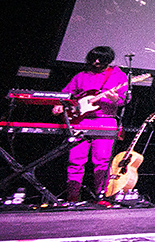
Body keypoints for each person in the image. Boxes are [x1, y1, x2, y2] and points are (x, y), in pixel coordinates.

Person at [52, 46, 129, 202]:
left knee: (102, 161)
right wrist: (59, 105)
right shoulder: (81, 76)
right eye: (93, 59)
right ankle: (72, 197)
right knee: (75, 160)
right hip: (80, 121)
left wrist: (115, 99)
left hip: (105, 121)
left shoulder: (118, 76)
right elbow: (66, 94)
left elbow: (123, 100)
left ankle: (103, 196)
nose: (96, 62)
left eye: (101, 60)